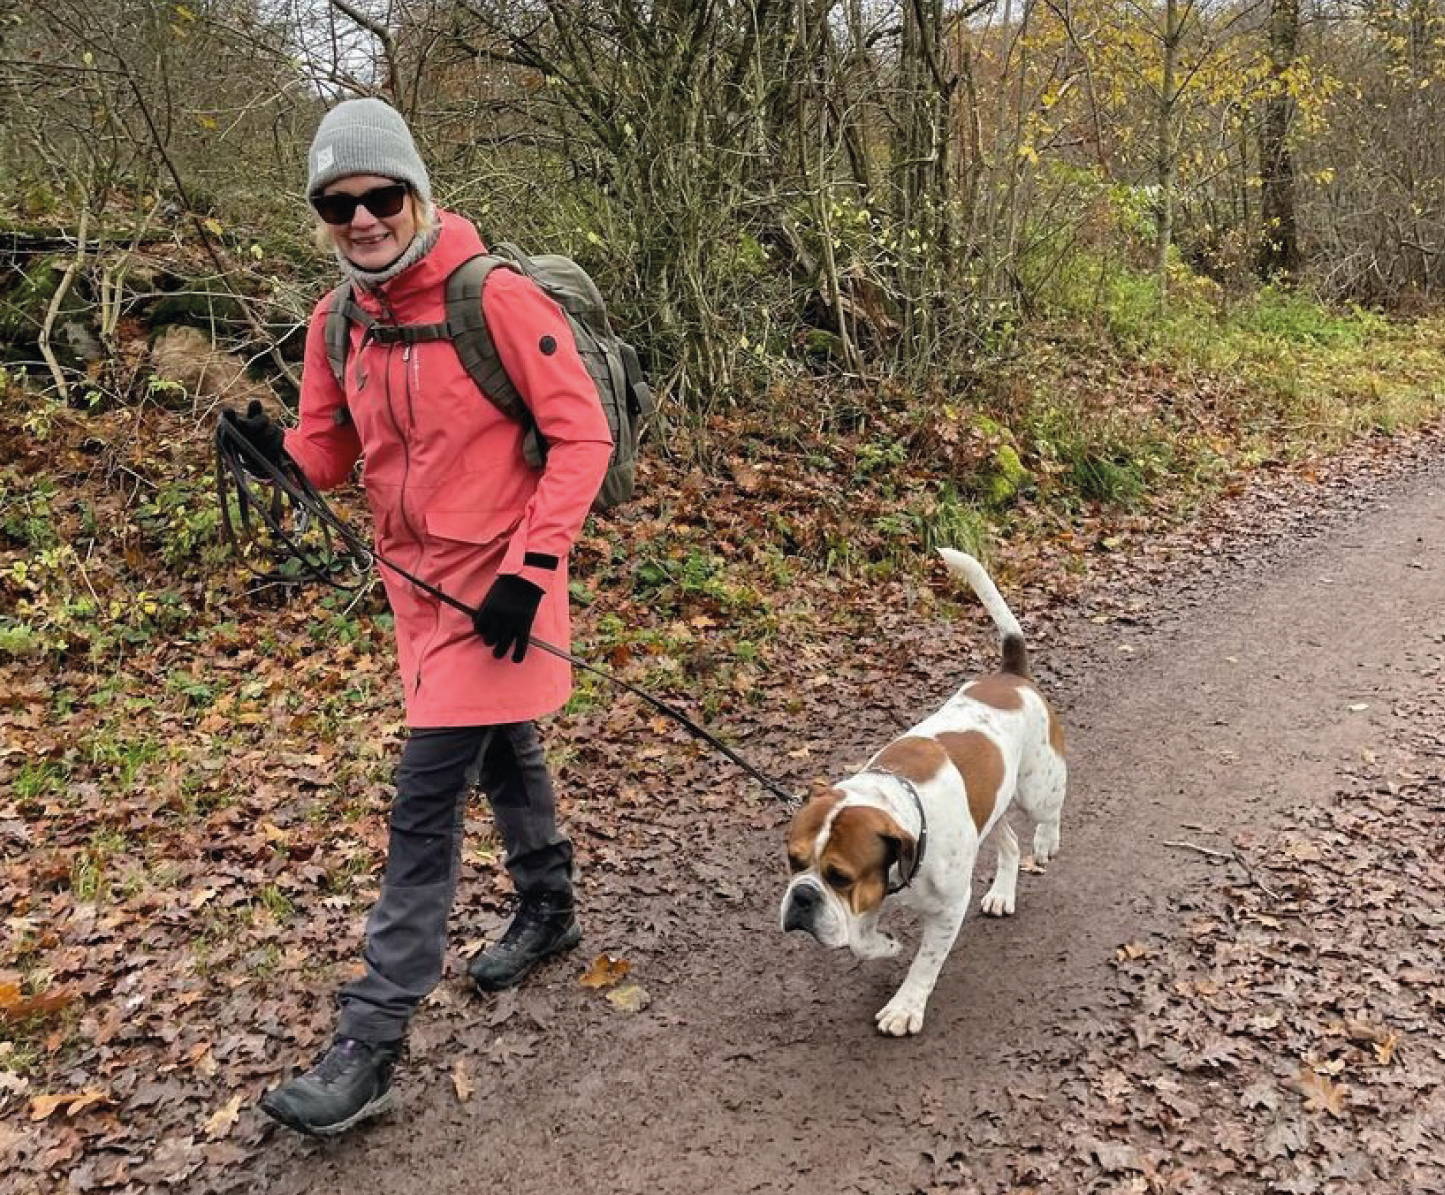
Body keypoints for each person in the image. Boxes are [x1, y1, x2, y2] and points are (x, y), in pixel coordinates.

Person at [224, 97, 612, 1137]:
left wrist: (530, 572)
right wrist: (275, 458)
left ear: (416, 193)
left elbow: (580, 440)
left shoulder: (495, 298)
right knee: (502, 752)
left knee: (423, 802)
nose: (361, 219)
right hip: (417, 595)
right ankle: (550, 904)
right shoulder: (336, 321)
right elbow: (329, 452)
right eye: (337, 203)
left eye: (379, 195)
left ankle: (371, 1036)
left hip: (501, 588)